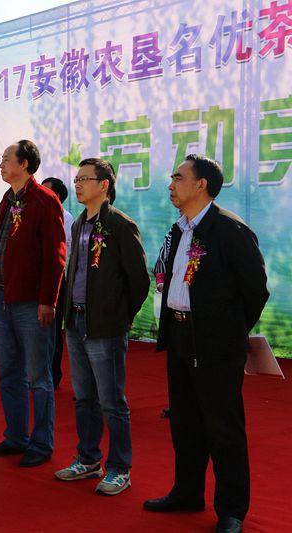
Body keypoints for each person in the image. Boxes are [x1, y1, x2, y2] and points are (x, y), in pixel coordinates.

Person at [144, 155, 269, 533]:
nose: (170, 184)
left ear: (201, 185)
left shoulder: (230, 229)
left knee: (223, 428)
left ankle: (231, 510)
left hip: (216, 344)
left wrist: (229, 331)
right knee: (185, 422)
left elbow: (255, 290)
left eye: (178, 178)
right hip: (181, 336)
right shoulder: (179, 229)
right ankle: (187, 492)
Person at [54, 158, 149, 496]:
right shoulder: (79, 223)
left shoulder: (120, 225)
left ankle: (120, 468)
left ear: (104, 185)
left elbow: (138, 280)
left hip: (105, 325)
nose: (78, 184)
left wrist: (120, 315)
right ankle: (88, 458)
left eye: (85, 179)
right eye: (76, 179)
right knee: (84, 397)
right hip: (76, 320)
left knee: (111, 401)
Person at [0, 140, 66, 467]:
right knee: (8, 373)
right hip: (4, 298)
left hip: (32, 303)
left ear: (25, 164)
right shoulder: (6, 200)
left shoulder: (45, 200)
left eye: (6, 159)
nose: (1, 164)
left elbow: (56, 255)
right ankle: (16, 436)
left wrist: (48, 300)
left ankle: (41, 443)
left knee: (39, 377)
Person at [41, 177, 75, 388]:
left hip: (56, 277)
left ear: (57, 196)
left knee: (53, 328)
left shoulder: (66, 217)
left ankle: (53, 374)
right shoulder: (35, 213)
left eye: (45, 191)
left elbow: (63, 250)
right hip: (36, 278)